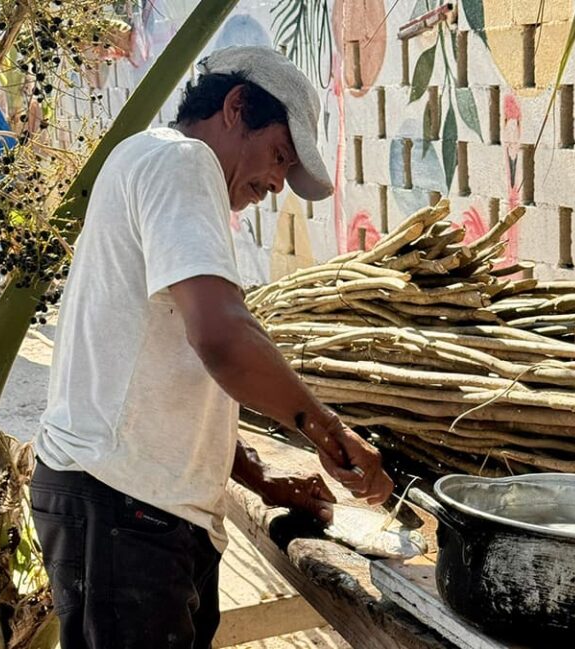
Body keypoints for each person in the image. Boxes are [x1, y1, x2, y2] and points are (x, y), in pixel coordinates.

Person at [30, 45, 394, 649]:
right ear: (235, 107)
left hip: (133, 506)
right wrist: (331, 433)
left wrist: (262, 480)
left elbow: (168, 380)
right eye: (279, 154)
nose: (276, 183)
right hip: (123, 506)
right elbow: (223, 340)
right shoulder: (181, 160)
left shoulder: (152, 165)